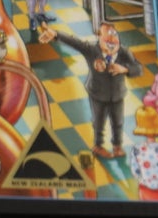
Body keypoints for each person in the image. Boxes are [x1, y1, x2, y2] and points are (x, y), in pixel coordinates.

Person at [40, 20, 136, 159]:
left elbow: (137, 69)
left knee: (118, 122)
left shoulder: (124, 52)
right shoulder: (92, 50)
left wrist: (125, 69)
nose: (111, 39)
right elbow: (75, 42)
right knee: (99, 122)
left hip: (118, 94)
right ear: (99, 37)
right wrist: (55, 34)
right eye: (106, 35)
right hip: (97, 94)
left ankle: (117, 146)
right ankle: (98, 146)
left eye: (114, 34)